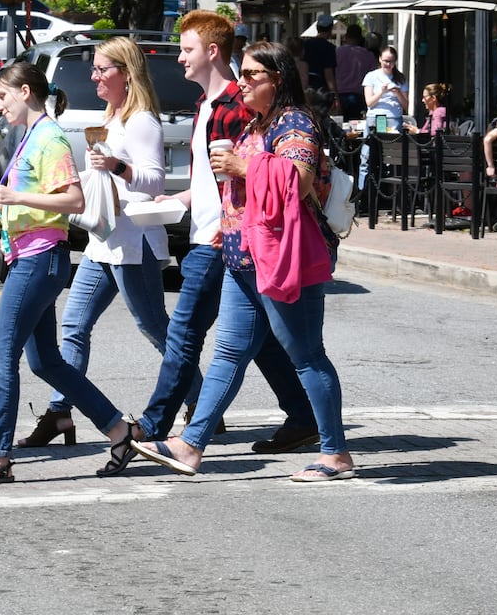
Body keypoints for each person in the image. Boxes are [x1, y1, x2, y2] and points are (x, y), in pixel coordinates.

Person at [130, 40, 353, 482]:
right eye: (244, 73)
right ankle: (191, 445)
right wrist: (229, 223)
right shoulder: (255, 124)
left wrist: (242, 167)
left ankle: (335, 454)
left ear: (279, 80)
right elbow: (255, 196)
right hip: (242, 255)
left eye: (253, 75)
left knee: (307, 355)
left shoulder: (295, 124)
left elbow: (300, 181)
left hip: (284, 257)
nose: (244, 81)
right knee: (229, 353)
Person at [0, 62, 138, 485]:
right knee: (46, 362)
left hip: (40, 258)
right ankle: (119, 431)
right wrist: (1, 203)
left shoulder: (49, 137)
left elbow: (74, 201)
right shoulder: (32, 136)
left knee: (2, 357)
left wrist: (14, 194)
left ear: (25, 92)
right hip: (32, 256)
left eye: (3, 96)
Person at [18, 38, 174, 448]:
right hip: (103, 240)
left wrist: (116, 166)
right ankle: (59, 413)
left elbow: (155, 180)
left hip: (133, 243)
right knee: (74, 325)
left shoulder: (142, 120)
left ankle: (199, 398)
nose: (94, 76)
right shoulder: (115, 115)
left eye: (103, 69)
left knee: (155, 327)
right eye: (95, 69)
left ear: (126, 72)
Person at [358, 46, 408, 189]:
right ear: (380, 59)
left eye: (391, 62)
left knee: (392, 157)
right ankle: (364, 191)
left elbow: (406, 105)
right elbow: (369, 102)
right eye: (386, 61)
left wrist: (398, 93)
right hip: (377, 118)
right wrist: (381, 92)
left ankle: (391, 193)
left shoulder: (400, 78)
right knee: (368, 155)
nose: (388, 64)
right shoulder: (371, 76)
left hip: (393, 119)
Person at [334, 24, 376, 120]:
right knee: (356, 126)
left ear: (346, 36)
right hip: (359, 94)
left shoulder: (337, 52)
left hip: (340, 94)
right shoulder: (368, 55)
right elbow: (374, 75)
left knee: (340, 123)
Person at [301, 14, 338, 96]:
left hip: (305, 85)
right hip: (321, 88)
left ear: (317, 28)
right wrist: (335, 95)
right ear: (330, 29)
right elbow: (328, 72)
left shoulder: (305, 44)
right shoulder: (330, 48)